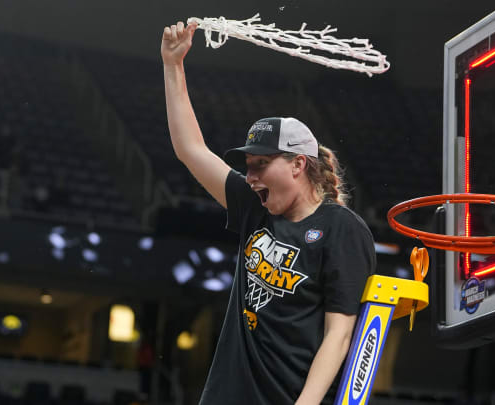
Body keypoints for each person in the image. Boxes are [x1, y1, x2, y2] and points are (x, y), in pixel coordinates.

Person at [161, 21, 376, 405]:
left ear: (298, 165)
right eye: (248, 165)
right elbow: (190, 149)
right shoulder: (252, 206)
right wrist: (172, 66)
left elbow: (340, 335)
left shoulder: (342, 229)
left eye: (261, 164)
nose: (251, 176)